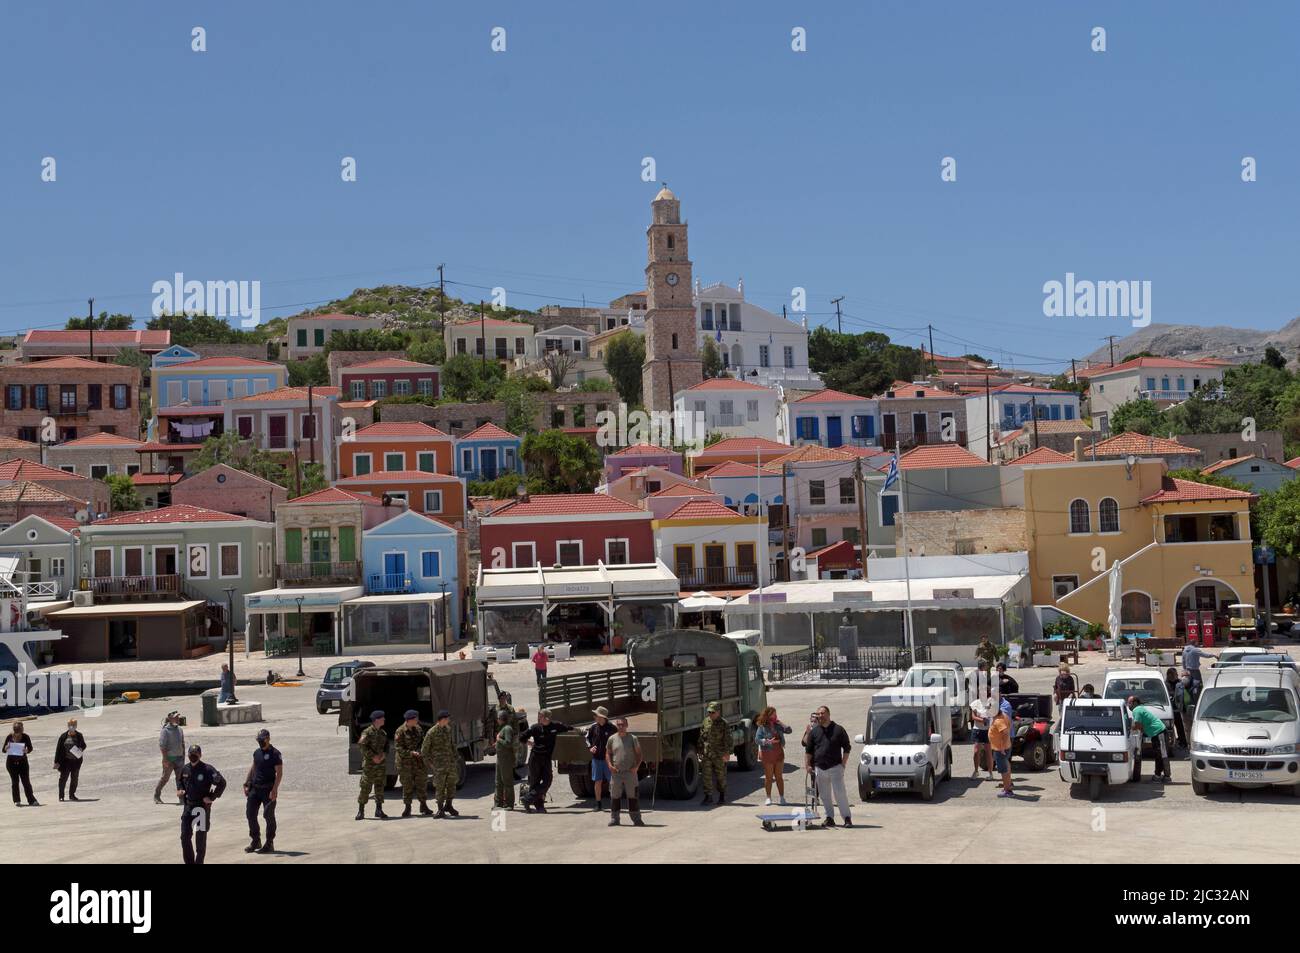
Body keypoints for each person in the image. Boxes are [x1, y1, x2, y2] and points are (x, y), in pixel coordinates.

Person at [804, 706, 853, 828]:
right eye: (818, 714)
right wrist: (807, 765)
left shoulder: (839, 729)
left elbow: (847, 748)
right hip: (820, 768)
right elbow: (808, 751)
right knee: (825, 795)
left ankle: (847, 818)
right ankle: (829, 817)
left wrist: (843, 764)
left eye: (822, 713)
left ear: (828, 714)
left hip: (836, 767)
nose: (820, 716)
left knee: (840, 794)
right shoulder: (814, 732)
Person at [176, 744, 225, 865]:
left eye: (195, 755)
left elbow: (222, 783)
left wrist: (212, 797)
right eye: (191, 755)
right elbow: (180, 781)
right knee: (184, 837)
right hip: (188, 806)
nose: (193, 756)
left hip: (201, 808)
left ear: (200, 755)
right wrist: (180, 790)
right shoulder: (185, 769)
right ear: (188, 755)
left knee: (200, 839)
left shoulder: (207, 769)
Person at [520, 708, 572, 812]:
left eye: (542, 716)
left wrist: (581, 732)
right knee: (534, 782)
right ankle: (539, 806)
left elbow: (568, 728)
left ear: (547, 718)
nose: (539, 718)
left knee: (548, 780)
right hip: (535, 758)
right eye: (539, 716)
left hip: (546, 758)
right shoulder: (535, 727)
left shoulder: (555, 726)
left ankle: (527, 799)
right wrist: (530, 743)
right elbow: (522, 737)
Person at [243, 728, 281, 853]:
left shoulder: (275, 754)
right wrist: (247, 782)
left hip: (268, 789)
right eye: (258, 740)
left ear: (268, 739)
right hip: (255, 788)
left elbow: (279, 773)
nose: (260, 742)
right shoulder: (257, 752)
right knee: (250, 814)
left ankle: (269, 843)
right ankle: (255, 840)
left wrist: (274, 789)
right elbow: (253, 767)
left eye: (262, 740)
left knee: (268, 815)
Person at [606, 716, 645, 826]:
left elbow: (639, 754)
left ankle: (636, 819)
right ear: (616, 726)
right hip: (616, 773)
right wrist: (610, 765)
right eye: (619, 724)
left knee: (633, 796)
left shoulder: (633, 738)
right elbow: (608, 753)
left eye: (623, 724)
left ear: (627, 725)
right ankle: (615, 818)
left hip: (630, 772)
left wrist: (636, 767)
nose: (621, 727)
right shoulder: (612, 739)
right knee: (615, 796)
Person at [421, 709, 460, 818]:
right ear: (442, 719)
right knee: (440, 787)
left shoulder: (448, 729)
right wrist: (430, 764)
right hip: (439, 765)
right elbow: (424, 751)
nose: (449, 720)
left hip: (450, 763)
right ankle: (440, 809)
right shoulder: (431, 732)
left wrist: (456, 758)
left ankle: (449, 805)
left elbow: (452, 744)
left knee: (452, 785)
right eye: (447, 718)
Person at [394, 710, 432, 818]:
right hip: (405, 763)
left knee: (422, 783)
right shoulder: (400, 731)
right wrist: (411, 753)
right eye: (416, 719)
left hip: (418, 762)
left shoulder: (418, 729)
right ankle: (407, 808)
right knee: (407, 785)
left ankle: (423, 805)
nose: (417, 720)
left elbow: (423, 742)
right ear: (410, 720)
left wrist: (420, 751)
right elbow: (399, 748)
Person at [1128, 695, 1172, 783]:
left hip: (1159, 732)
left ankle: (1162, 776)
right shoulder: (1140, 709)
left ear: (1135, 703)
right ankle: (1162, 776)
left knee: (1161, 754)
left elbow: (1137, 725)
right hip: (1156, 733)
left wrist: (1131, 728)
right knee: (1159, 754)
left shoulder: (1136, 710)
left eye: (1129, 703)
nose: (1128, 705)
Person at [355, 710, 389, 820]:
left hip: (380, 765)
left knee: (380, 787)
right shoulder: (367, 732)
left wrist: (383, 755)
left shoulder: (383, 733)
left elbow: (387, 747)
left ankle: (379, 810)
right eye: (382, 718)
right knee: (365, 787)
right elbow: (361, 746)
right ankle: (361, 811)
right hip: (370, 765)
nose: (384, 719)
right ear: (377, 720)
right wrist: (373, 756)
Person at [755, 706, 791, 805]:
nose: (775, 716)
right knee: (769, 777)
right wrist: (766, 741)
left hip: (778, 753)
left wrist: (781, 723)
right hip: (767, 753)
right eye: (773, 714)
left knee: (779, 776)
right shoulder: (762, 727)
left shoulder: (778, 725)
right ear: (768, 715)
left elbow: (789, 730)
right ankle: (768, 797)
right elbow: (757, 740)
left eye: (776, 714)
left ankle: (782, 797)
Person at [584, 706, 617, 811]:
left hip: (609, 760)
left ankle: (614, 804)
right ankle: (598, 804)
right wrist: (590, 747)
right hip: (596, 759)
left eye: (596, 715)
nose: (594, 717)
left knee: (612, 781)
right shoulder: (593, 727)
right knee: (597, 781)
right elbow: (587, 738)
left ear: (602, 717)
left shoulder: (612, 728)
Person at [699, 701, 730, 806]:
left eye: (712, 712)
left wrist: (727, 753)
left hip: (719, 754)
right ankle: (708, 797)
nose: (710, 714)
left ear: (718, 712)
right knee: (706, 776)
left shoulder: (724, 723)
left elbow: (728, 740)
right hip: (707, 753)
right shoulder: (705, 722)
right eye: (709, 712)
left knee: (720, 776)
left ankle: (722, 795)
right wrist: (700, 750)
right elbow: (702, 736)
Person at [154, 711, 186, 804]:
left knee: (180, 779)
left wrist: (183, 755)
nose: (178, 719)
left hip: (179, 758)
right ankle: (156, 795)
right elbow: (162, 746)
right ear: (170, 719)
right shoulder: (165, 731)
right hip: (170, 759)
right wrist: (165, 759)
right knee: (165, 778)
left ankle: (181, 798)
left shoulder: (180, 729)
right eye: (175, 717)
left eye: (178, 717)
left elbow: (182, 743)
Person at [4, 721, 36, 807]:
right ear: (15, 730)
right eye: (16, 731)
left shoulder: (25, 737)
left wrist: (26, 751)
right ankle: (16, 800)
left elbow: (30, 748)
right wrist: (6, 748)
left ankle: (31, 800)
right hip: (11, 763)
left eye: (20, 730)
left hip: (23, 763)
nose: (18, 734)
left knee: (26, 782)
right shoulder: (9, 737)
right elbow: (3, 750)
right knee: (15, 782)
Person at [53, 718, 86, 802]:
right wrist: (56, 762)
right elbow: (58, 749)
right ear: (68, 726)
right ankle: (61, 796)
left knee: (74, 779)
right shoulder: (63, 736)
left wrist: (81, 749)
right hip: (66, 761)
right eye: (70, 725)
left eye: (73, 725)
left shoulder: (79, 735)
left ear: (76, 726)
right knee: (63, 779)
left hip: (75, 761)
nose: (72, 727)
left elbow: (84, 745)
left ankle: (72, 795)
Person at [494, 709, 517, 810]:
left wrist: (499, 740)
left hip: (506, 759)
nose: (497, 720)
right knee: (498, 781)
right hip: (500, 759)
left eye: (498, 718)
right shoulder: (503, 728)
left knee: (507, 781)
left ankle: (509, 804)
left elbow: (508, 743)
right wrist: (497, 743)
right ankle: (498, 803)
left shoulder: (507, 729)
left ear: (501, 719)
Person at [989, 706, 1014, 797]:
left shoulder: (999, 721)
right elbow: (1010, 725)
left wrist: (1002, 747)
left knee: (1004, 770)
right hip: (1006, 746)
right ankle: (1008, 787)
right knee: (1007, 766)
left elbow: (1005, 733)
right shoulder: (1004, 715)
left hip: (1001, 749)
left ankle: (1007, 790)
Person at [1164, 668, 1188, 748]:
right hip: (1169, 709)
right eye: (1175, 674)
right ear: (1169, 675)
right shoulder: (1165, 684)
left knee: (1180, 727)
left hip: (1178, 709)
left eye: (1177, 674)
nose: (1177, 676)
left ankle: (1183, 742)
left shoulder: (1179, 683)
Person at [970, 698, 993, 780]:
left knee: (988, 752)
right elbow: (973, 717)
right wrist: (982, 720)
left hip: (988, 730)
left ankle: (990, 773)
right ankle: (976, 771)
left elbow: (993, 715)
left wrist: (988, 721)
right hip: (977, 730)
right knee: (976, 751)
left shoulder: (991, 703)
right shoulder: (975, 703)